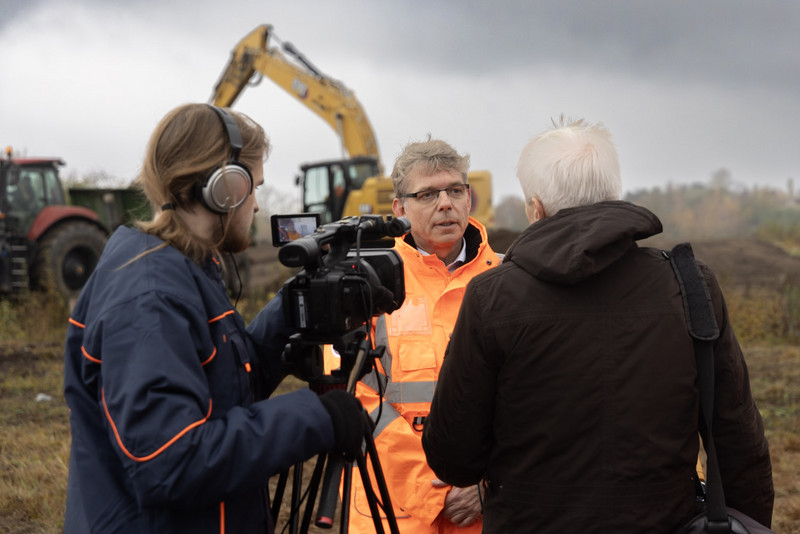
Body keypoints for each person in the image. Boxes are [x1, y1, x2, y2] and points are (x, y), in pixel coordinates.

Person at [421, 117, 774, 533]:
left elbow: (454, 457)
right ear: (614, 195)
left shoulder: (489, 297)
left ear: (536, 208)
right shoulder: (690, 285)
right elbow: (738, 442)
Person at [62, 103, 367, 534]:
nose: (258, 206)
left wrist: (295, 306)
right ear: (225, 187)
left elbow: (221, 390)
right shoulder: (151, 298)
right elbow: (171, 461)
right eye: (254, 188)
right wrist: (317, 417)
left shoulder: (185, 268)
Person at [327, 137, 501, 532]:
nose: (445, 204)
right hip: (390, 510)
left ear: (468, 198)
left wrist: (487, 481)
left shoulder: (506, 280)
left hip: (483, 511)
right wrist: (435, 485)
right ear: (399, 209)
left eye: (455, 190)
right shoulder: (362, 285)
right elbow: (349, 396)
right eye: (427, 194)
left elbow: (532, 399)